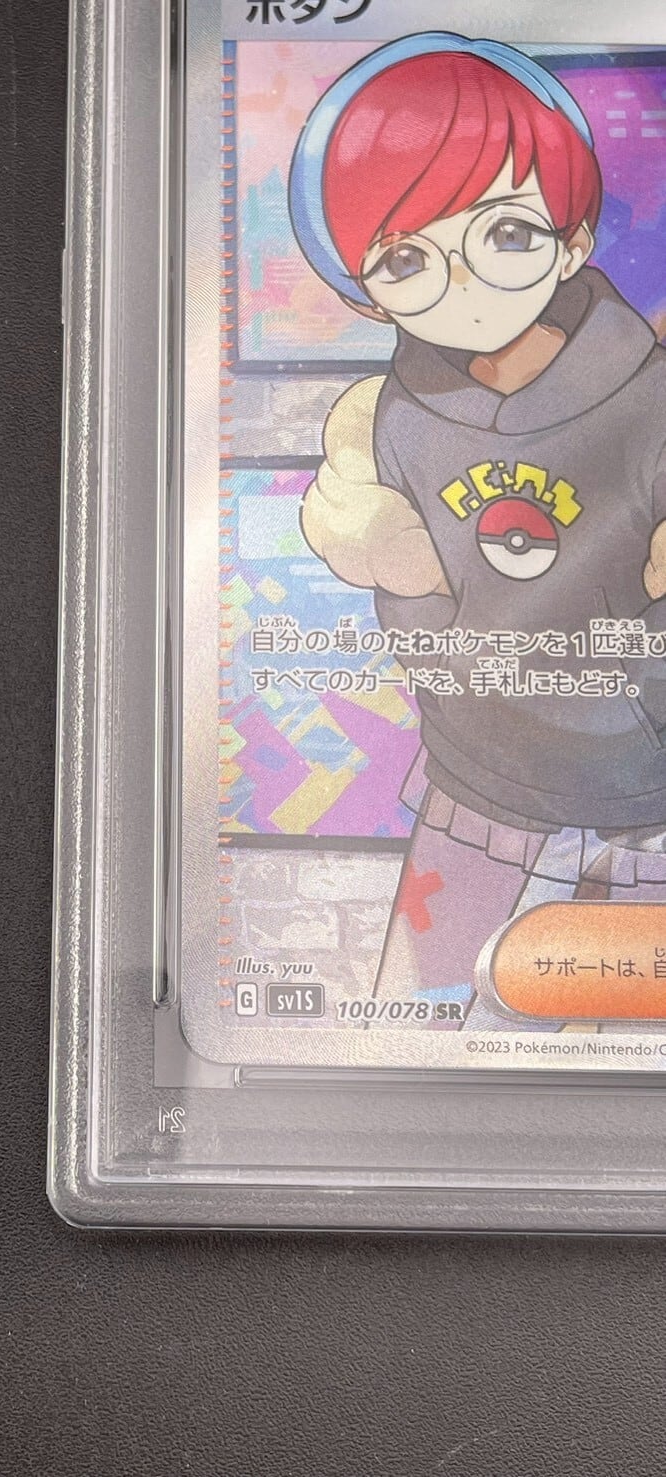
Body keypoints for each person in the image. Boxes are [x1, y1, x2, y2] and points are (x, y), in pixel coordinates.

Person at [288, 35, 666, 1012]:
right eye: (409, 258)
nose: (462, 285)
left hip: (645, 798)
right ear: (367, 290)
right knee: (410, 1024)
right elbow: (416, 608)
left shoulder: (650, 400)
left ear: (571, 240)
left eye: (506, 234)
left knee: (626, 1053)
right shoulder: (397, 419)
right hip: (475, 786)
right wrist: (409, 583)